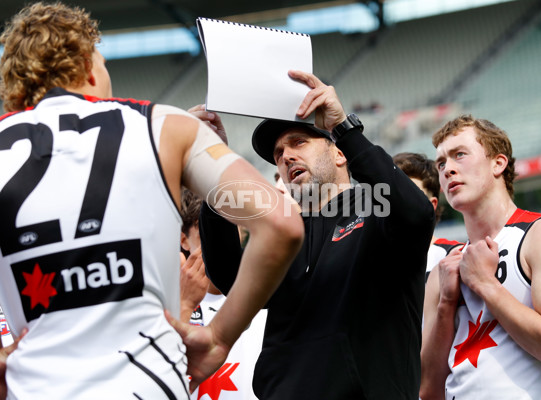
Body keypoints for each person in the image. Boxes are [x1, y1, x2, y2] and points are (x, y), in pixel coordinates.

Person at [0, 3, 303, 398]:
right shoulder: (165, 125)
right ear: (89, 68)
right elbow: (280, 221)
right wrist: (219, 337)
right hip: (149, 382)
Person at [195, 70, 436, 399]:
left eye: (298, 142)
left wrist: (344, 129)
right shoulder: (282, 236)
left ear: (339, 154)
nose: (286, 156)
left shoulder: (377, 210)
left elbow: (416, 213)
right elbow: (229, 278)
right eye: (279, 154)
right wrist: (213, 164)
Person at [420, 115, 541, 399]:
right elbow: (428, 389)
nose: (448, 169)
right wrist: (447, 302)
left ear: (498, 163)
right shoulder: (443, 269)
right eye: (441, 163)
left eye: (460, 155)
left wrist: (486, 284)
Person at [179, 188, 266, 400]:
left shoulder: (267, 293)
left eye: (229, 227)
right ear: (184, 241)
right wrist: (184, 305)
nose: (217, 242)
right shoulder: (170, 305)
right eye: (205, 232)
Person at [392, 152, 463, 282]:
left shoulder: (456, 256)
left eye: (411, 195)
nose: (400, 202)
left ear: (431, 205)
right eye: (394, 194)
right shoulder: (367, 262)